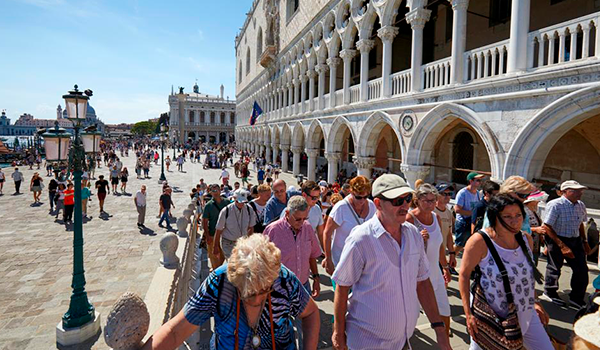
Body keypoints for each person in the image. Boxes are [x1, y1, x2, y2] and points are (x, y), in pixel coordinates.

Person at [332, 174, 451, 350]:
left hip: (403, 341)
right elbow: (342, 288)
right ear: (378, 203)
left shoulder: (413, 235)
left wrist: (440, 330)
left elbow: (423, 282)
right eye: (397, 201)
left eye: (408, 199)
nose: (405, 206)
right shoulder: (361, 239)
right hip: (366, 342)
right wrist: (338, 332)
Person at [141, 234, 320, 350]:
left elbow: (310, 312)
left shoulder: (283, 278)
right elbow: (175, 331)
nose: (257, 299)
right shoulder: (219, 282)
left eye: (265, 290)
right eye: (249, 294)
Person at [458, 194, 552, 350]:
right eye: (507, 216)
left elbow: (527, 277)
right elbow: (464, 275)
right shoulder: (480, 242)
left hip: (526, 312)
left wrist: (536, 301)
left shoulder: (525, 239)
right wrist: (469, 315)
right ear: (495, 217)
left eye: (518, 215)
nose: (514, 221)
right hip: (491, 317)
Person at [264, 195, 322, 349]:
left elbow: (312, 254)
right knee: (280, 331)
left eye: (305, 218)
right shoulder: (272, 231)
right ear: (288, 214)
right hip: (279, 290)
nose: (302, 223)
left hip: (302, 286)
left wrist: (316, 277)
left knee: (305, 326)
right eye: (298, 219)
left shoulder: (308, 227)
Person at [406, 184, 452, 338]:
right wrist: (418, 238)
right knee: (409, 319)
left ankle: (446, 345)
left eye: (433, 201)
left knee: (445, 312)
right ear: (417, 200)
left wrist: (445, 267)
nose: (431, 204)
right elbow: (401, 249)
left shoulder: (436, 217)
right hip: (416, 278)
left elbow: (439, 245)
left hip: (436, 275)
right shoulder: (409, 219)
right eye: (426, 201)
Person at [541, 180, 590, 309]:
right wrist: (562, 246)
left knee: (581, 269)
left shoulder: (580, 205)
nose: (579, 193)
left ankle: (576, 298)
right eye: (574, 190)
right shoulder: (555, 205)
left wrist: (584, 241)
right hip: (557, 238)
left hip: (575, 239)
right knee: (555, 267)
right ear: (564, 192)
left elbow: (580, 224)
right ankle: (550, 292)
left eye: (580, 190)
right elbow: (547, 226)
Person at [322, 175, 376, 276]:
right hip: (341, 261)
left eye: (365, 197)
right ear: (351, 192)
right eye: (358, 197)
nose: (362, 201)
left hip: (364, 262)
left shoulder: (371, 206)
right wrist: (328, 259)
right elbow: (327, 233)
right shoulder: (341, 208)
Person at [213, 189, 256, 261]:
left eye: (243, 202)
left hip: (243, 242)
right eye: (239, 201)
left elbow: (251, 228)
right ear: (234, 199)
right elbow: (218, 229)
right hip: (228, 243)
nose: (241, 204)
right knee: (232, 264)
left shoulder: (249, 209)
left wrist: (250, 242)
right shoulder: (226, 211)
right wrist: (215, 246)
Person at [453, 172, 484, 255]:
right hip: (463, 222)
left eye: (480, 180)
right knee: (459, 245)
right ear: (471, 181)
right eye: (478, 180)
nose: (480, 182)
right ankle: (450, 259)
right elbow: (457, 209)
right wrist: (472, 213)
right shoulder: (462, 193)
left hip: (472, 222)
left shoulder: (478, 193)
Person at [202, 184, 230, 268]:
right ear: (210, 192)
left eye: (216, 190)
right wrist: (207, 236)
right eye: (213, 191)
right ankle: (215, 270)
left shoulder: (227, 202)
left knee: (224, 255)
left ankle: (219, 270)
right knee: (213, 256)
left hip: (225, 234)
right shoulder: (208, 206)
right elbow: (204, 221)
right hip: (212, 234)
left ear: (220, 190)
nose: (215, 193)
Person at [434, 183, 457, 274]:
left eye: (449, 194)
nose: (447, 196)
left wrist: (452, 254)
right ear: (437, 195)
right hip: (430, 254)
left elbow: (448, 234)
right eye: (444, 194)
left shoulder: (448, 213)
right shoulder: (431, 211)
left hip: (442, 255)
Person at [524, 190, 549, 265]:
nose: (538, 202)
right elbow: (519, 227)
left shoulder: (534, 211)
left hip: (535, 242)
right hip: (526, 243)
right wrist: (535, 229)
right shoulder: (523, 211)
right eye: (536, 201)